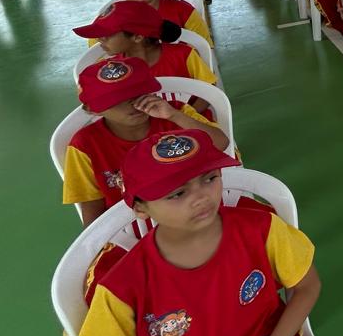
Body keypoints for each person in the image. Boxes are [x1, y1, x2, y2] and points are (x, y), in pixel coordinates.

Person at [66, 130, 337, 336]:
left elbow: (307, 287)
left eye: (209, 178)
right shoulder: (123, 285)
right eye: (177, 193)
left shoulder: (261, 229)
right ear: (139, 206)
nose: (202, 198)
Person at [63, 56, 229, 226]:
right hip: (132, 228)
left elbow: (221, 143)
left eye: (139, 93)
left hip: (199, 212)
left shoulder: (175, 112)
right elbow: (92, 209)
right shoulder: (84, 145)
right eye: (117, 100)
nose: (133, 104)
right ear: (92, 110)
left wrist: (174, 115)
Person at [72, 0, 217, 112]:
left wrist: (183, 119)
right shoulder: (111, 71)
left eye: (107, 35)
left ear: (137, 37)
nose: (99, 39)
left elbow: (209, 90)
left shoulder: (183, 54)